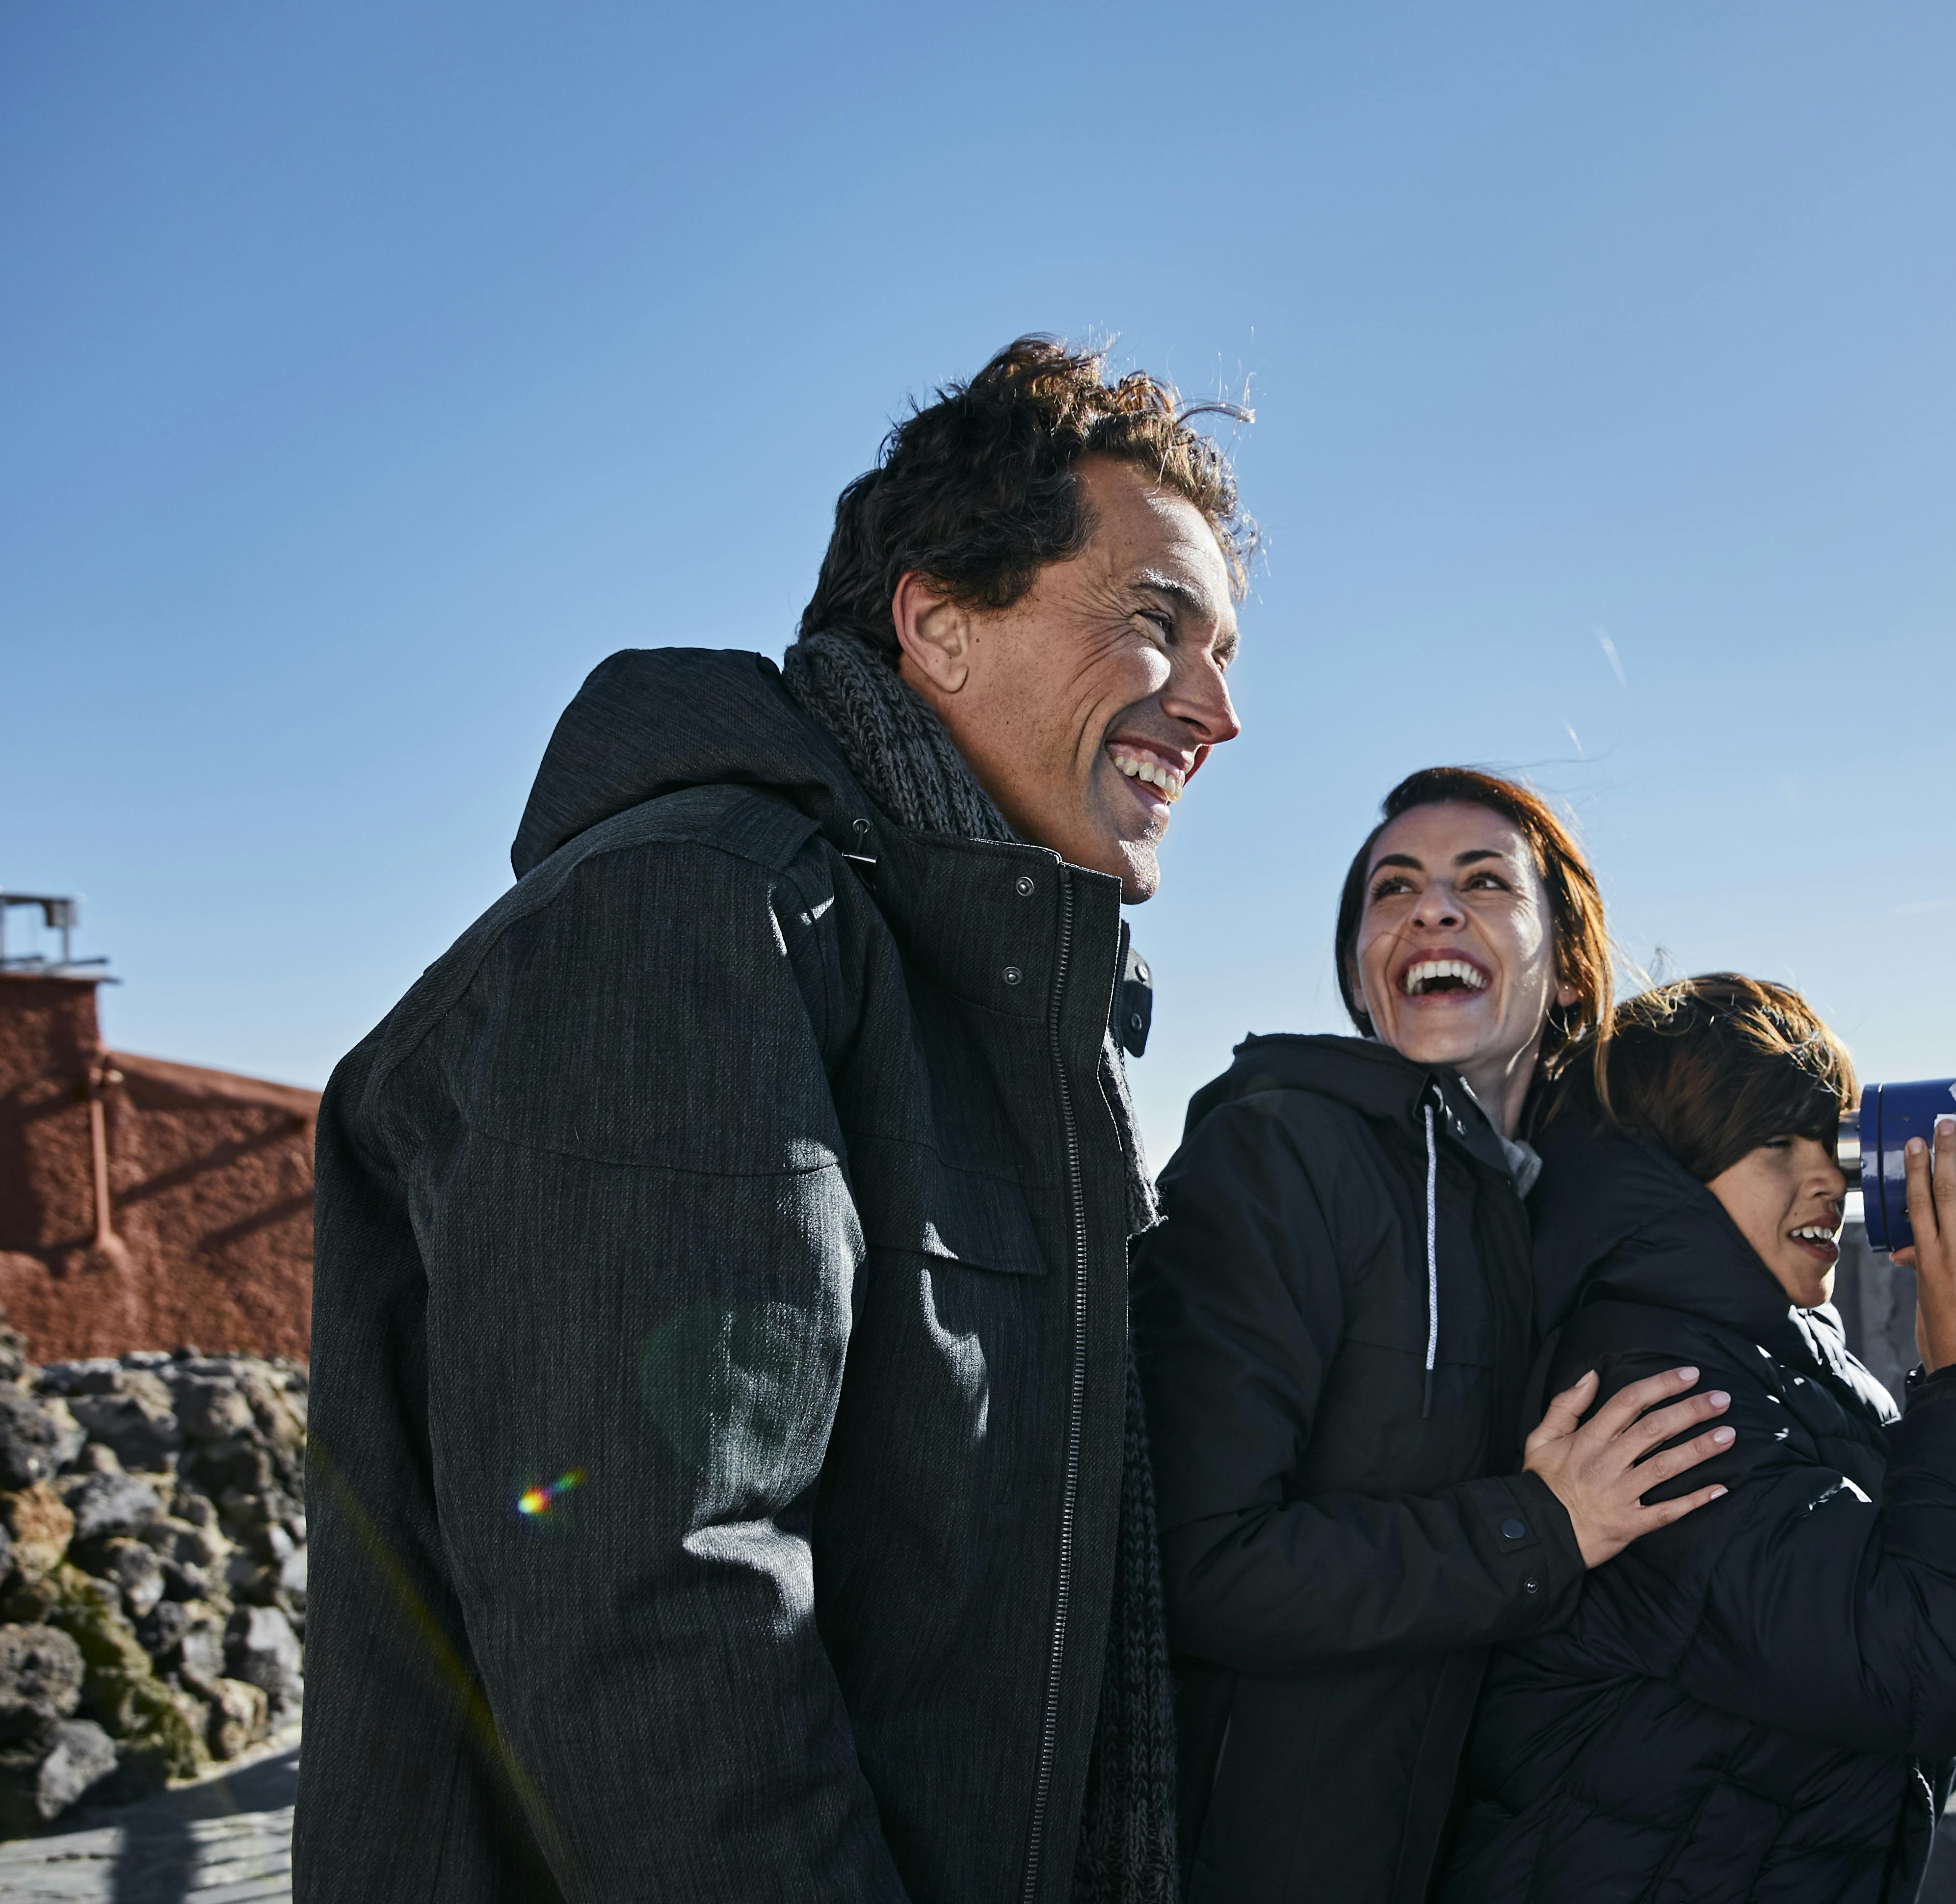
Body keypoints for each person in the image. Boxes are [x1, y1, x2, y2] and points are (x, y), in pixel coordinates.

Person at [299, 338, 1247, 1903]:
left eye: (1224, 650)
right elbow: (656, 1603)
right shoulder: (696, 917)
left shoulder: (976, 1003)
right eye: (1159, 626)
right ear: (935, 622)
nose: (1215, 709)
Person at [1132, 768, 1737, 1904]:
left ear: (1564, 967)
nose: (1432, 909)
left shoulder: (1555, 1212)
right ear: (1365, 974)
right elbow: (1202, 1563)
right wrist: (1539, 1527)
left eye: (1485, 882)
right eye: (1392, 888)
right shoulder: (1279, 1156)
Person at [1439, 975, 1956, 1904]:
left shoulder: (1773, 1351)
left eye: (1833, 1138)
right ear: (1666, 1168)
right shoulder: (1652, 1389)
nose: (1832, 1174)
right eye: (1778, 1141)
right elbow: (1930, 1663)